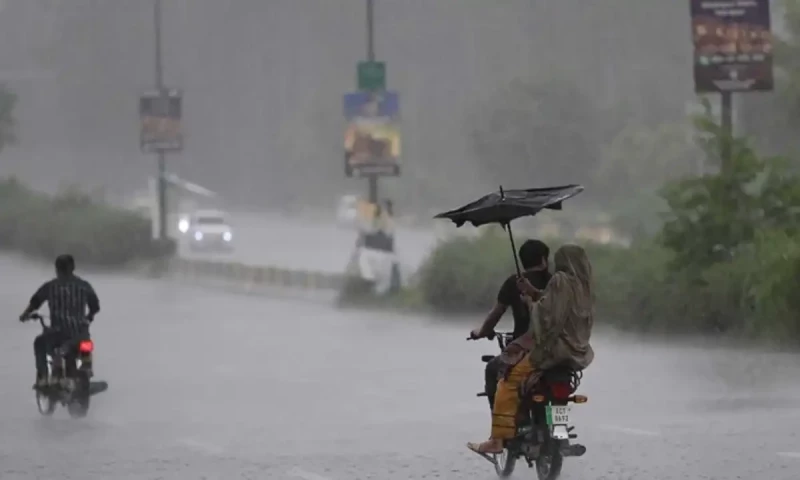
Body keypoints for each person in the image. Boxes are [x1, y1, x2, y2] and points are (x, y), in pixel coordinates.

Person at [467, 244, 595, 454]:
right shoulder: (582, 287)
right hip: (575, 354)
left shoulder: (559, 281)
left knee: (507, 380)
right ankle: (561, 437)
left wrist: (529, 302)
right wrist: (534, 292)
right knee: (559, 398)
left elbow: (548, 317)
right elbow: (554, 301)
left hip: (550, 350)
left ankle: (497, 439)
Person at [470, 239, 551, 409]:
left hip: (524, 351)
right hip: (556, 351)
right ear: (544, 260)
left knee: (493, 369)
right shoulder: (556, 283)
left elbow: (496, 314)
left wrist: (481, 332)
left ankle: (500, 423)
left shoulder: (515, 283)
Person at [19, 254, 100, 389]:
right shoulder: (84, 286)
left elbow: (35, 302)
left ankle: (43, 378)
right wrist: (88, 317)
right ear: (73, 268)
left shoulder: (51, 286)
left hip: (58, 333)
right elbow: (95, 307)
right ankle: (86, 367)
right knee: (86, 345)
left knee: (39, 343)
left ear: (56, 269)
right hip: (81, 333)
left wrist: (25, 314)